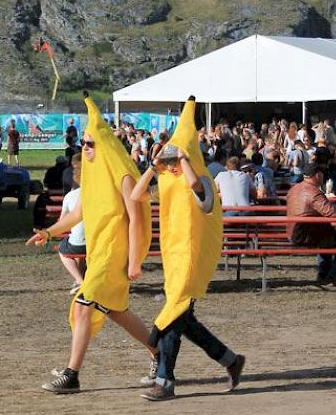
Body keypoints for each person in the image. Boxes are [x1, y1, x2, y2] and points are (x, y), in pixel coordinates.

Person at [26, 92, 156, 394]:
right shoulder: (93, 179)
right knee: (117, 312)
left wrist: (135, 260)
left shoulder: (123, 175)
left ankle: (71, 375)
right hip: (100, 255)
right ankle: (159, 355)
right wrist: (48, 232)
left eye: (89, 143)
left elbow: (136, 218)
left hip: (115, 255)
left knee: (84, 306)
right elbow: (76, 215)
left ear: (105, 145)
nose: (84, 148)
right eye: (82, 143)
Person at [131, 96, 245, 401]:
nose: (172, 165)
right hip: (174, 257)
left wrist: (182, 158)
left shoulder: (203, 180)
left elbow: (197, 189)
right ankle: (230, 360)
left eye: (175, 161)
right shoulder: (168, 182)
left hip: (192, 261)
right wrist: (153, 167)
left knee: (172, 319)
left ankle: (164, 381)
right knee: (184, 321)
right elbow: (137, 195)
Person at [286, 163, 336, 285]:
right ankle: (333, 276)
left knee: (327, 238)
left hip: (293, 233)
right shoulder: (314, 192)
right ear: (318, 175)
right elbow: (333, 213)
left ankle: (324, 274)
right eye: (322, 174)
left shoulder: (294, 189)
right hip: (307, 235)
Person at [59, 153, 86, 295]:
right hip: (98, 242)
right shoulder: (99, 193)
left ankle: (79, 280)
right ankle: (81, 279)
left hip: (79, 243)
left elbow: (62, 222)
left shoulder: (70, 196)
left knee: (63, 249)